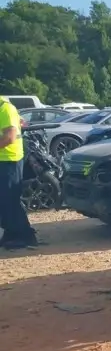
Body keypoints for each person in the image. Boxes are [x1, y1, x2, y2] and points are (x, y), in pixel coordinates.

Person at [0, 96, 38, 249]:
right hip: (4, 159)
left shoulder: (5, 108)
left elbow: (9, 137)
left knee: (10, 200)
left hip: (9, 160)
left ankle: (26, 236)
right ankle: (11, 234)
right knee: (4, 201)